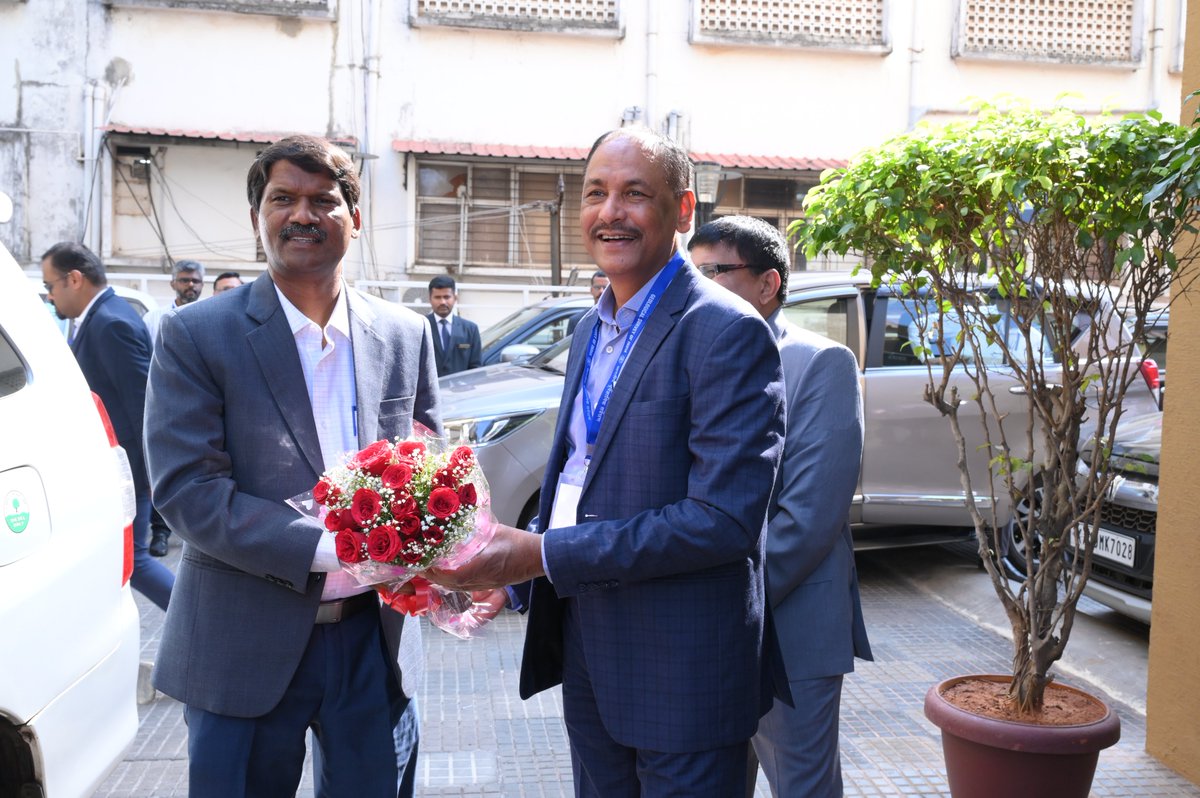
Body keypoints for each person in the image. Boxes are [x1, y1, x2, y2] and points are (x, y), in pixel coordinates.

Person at [431, 128, 788, 796]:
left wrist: (540, 556)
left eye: (634, 194)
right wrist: (517, 581)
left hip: (683, 671)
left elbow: (721, 521)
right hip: (591, 651)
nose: (610, 211)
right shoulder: (593, 325)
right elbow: (579, 483)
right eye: (596, 193)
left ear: (683, 211)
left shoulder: (728, 331)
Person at [144, 134, 441, 798]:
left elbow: (428, 467)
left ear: (355, 219)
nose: (302, 214)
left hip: (375, 645)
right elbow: (188, 492)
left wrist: (449, 554)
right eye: (282, 198)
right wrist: (333, 548)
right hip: (242, 642)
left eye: (322, 200)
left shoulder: (404, 333)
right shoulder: (197, 335)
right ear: (258, 218)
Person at [688, 215, 873, 798]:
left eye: (714, 272)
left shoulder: (822, 363)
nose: (699, 287)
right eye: (691, 274)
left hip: (790, 627)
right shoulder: (696, 356)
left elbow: (809, 519)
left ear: (768, 283)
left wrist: (722, 604)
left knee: (803, 787)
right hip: (711, 626)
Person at [40, 241, 175, 611]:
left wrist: (151, 475)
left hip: (128, 471)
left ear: (74, 279)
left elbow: (143, 407)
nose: (49, 297)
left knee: (137, 562)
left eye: (50, 286)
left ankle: (202, 620)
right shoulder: (97, 318)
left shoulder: (111, 322)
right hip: (113, 469)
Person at [426, 274, 482, 375]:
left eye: (447, 297)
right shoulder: (421, 327)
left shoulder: (470, 329)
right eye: (437, 297)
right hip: (429, 390)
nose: (442, 302)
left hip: (461, 389)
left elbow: (475, 368)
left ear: (455, 298)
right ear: (430, 298)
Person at [143, 259, 205, 345]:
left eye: (195, 281)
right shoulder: (153, 318)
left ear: (202, 285)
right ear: (173, 284)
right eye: (185, 280)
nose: (191, 284)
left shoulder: (209, 319)